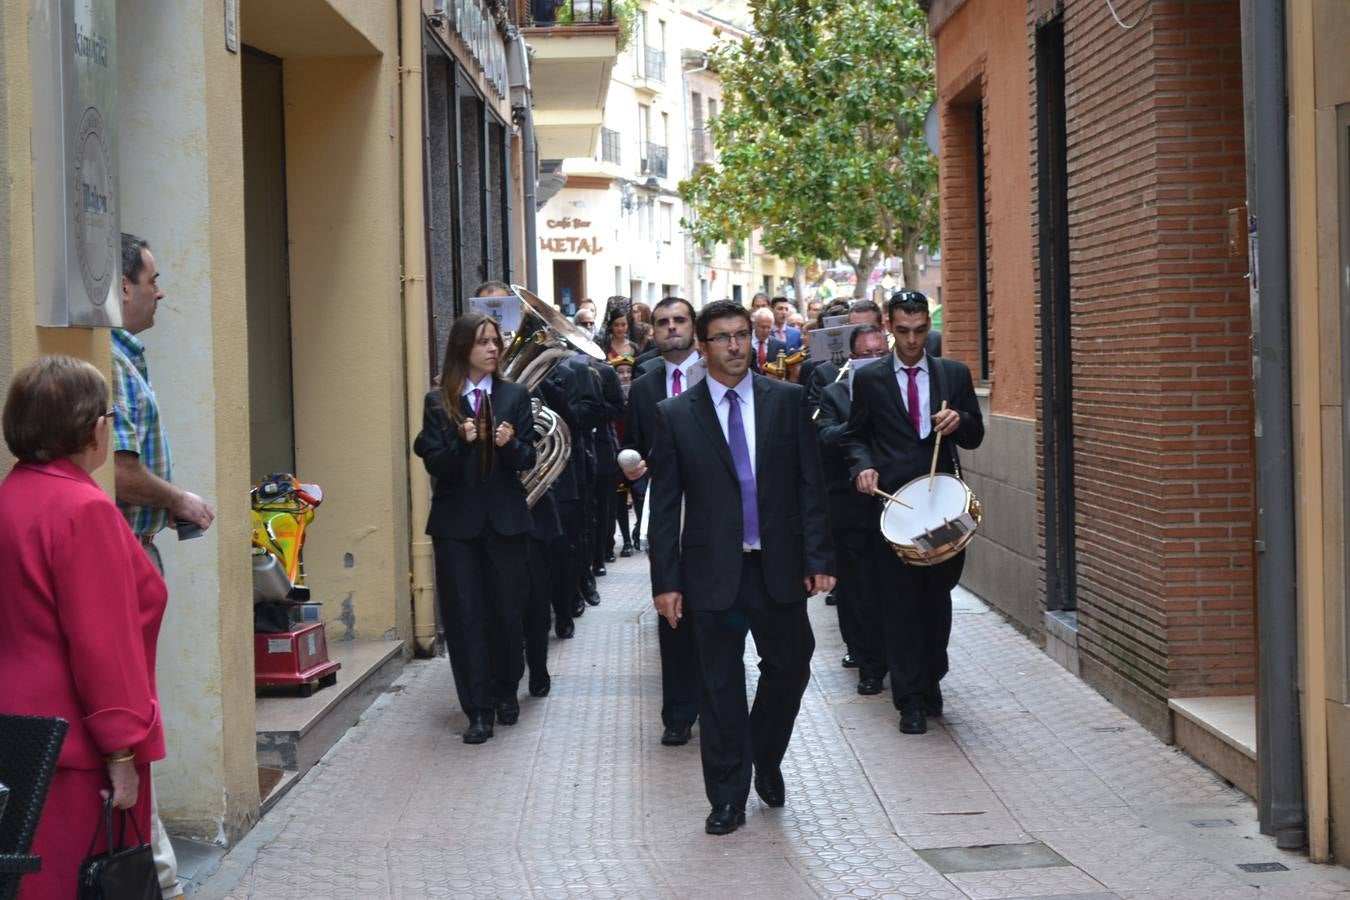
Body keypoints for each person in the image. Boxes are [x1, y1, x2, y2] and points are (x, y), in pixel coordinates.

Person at [648, 300, 835, 836]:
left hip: (776, 567)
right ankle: (727, 795)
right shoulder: (676, 415)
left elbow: (809, 487)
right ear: (703, 347)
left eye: (741, 336)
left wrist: (819, 559)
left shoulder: (788, 400)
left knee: (792, 664)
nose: (735, 346)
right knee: (717, 684)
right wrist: (666, 582)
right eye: (723, 338)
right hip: (711, 572)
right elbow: (665, 507)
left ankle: (764, 753)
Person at [0, 356, 168, 900]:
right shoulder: (82, 508)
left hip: (15, 734)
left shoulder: (11, 497)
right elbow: (104, 646)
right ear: (94, 429)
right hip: (75, 748)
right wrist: (121, 754)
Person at [112, 233, 212, 900]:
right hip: (125, 555)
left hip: (134, 552)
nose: (160, 290)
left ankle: (157, 868)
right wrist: (178, 498)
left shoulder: (124, 357)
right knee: (132, 712)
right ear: (123, 287)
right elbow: (120, 472)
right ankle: (158, 877)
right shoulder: (115, 366)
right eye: (152, 278)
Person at [846, 290, 984, 736]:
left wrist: (960, 420)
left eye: (920, 331)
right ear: (889, 326)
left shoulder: (953, 374)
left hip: (942, 508)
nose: (911, 340)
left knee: (936, 600)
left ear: (929, 326)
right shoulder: (869, 380)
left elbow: (975, 436)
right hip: (895, 510)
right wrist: (862, 466)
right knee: (900, 605)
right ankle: (910, 700)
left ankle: (931, 677)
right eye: (903, 331)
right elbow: (855, 435)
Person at [414, 312, 537, 743]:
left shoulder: (515, 395)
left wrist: (510, 445)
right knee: (465, 618)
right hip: (456, 526)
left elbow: (528, 459)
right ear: (463, 349)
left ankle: (507, 690)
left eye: (495, 342)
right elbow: (434, 464)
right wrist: (458, 441)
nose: (492, 348)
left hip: (505, 522)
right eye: (483, 342)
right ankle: (478, 709)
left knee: (506, 613)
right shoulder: (439, 401)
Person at [620, 297, 704, 747]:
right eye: (662, 322)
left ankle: (716, 701)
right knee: (671, 609)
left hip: (715, 512)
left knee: (715, 611)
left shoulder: (717, 376)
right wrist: (632, 473)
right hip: (667, 514)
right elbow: (633, 446)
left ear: (694, 328)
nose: (671, 328)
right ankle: (678, 712)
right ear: (651, 331)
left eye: (680, 321)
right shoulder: (645, 385)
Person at [816, 325, 891, 693]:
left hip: (895, 506)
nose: (873, 361)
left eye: (880, 354)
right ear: (851, 359)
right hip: (850, 507)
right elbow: (824, 437)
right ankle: (869, 664)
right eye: (865, 355)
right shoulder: (832, 394)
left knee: (895, 591)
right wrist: (860, 422)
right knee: (859, 592)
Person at [749, 307, 786, 374]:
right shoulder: (746, 342)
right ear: (755, 325)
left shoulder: (780, 345)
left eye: (769, 328)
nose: (766, 331)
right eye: (763, 327)